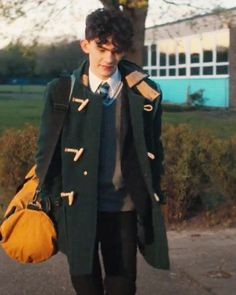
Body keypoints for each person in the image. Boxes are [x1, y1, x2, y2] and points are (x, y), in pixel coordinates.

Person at [35, 8, 169, 295]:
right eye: (101, 48)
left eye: (116, 50)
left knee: (123, 285)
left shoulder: (145, 93)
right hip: (76, 206)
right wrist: (54, 201)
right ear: (86, 45)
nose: (109, 59)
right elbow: (46, 152)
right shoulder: (60, 92)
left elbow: (154, 147)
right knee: (85, 284)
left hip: (124, 207)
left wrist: (154, 190)